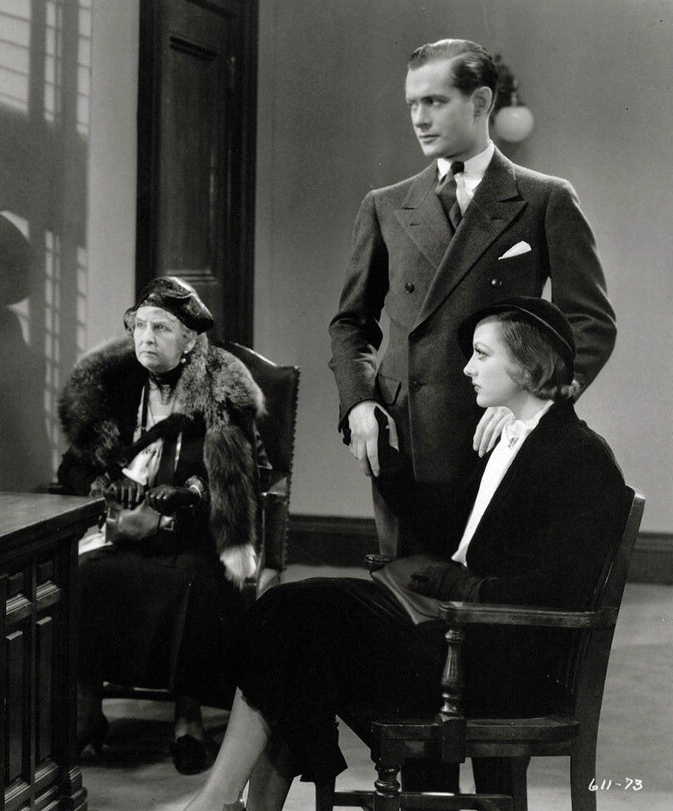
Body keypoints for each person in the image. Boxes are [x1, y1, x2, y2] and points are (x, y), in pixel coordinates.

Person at [184, 297, 627, 810]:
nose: (467, 368)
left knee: (294, 629)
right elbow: (453, 529)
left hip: (492, 659)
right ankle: (228, 802)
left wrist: (458, 587)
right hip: (459, 633)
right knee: (282, 611)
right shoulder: (512, 436)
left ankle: (221, 802)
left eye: (482, 354)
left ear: (529, 367)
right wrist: (381, 456)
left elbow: (562, 592)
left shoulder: (581, 459)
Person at [329, 39, 616, 559]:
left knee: (483, 595)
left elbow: (591, 322)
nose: (419, 118)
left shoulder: (545, 197)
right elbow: (351, 323)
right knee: (407, 596)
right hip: (404, 439)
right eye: (412, 104)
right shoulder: (386, 206)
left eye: (435, 101)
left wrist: (537, 405)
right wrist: (359, 402)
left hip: (497, 432)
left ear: (481, 103)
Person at [57, 276, 270, 775]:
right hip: (118, 532)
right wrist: (110, 489)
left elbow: (236, 487)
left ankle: (187, 716)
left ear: (191, 339)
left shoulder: (220, 394)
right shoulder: (115, 388)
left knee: (192, 583)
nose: (146, 339)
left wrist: (176, 505)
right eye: (140, 327)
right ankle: (88, 712)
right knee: (86, 577)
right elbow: (73, 469)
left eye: (162, 328)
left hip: (195, 536)